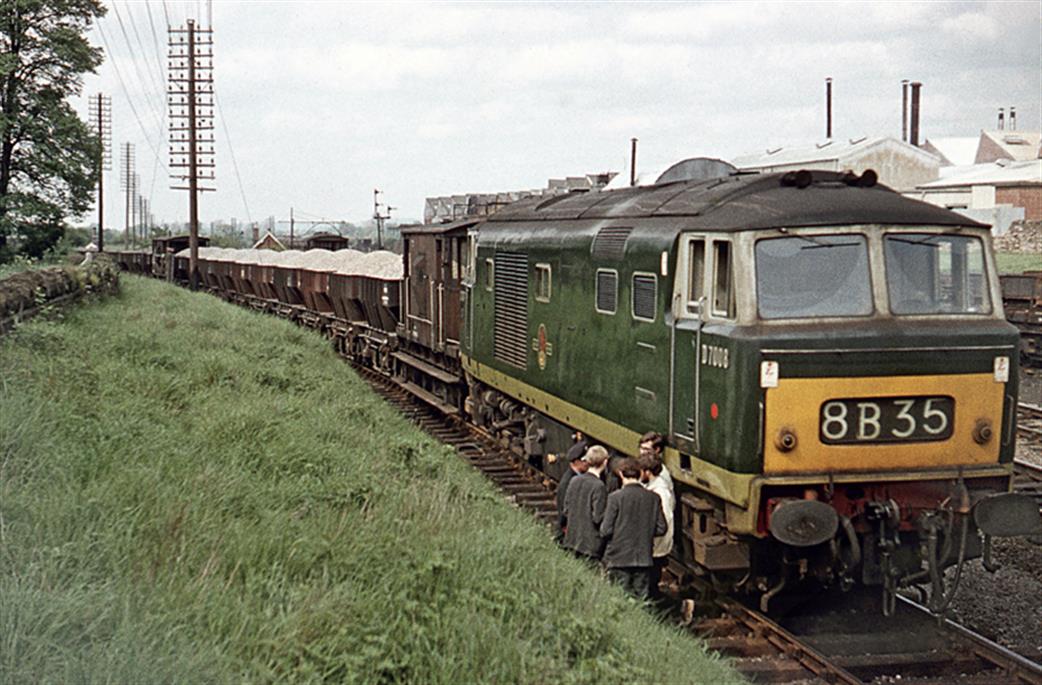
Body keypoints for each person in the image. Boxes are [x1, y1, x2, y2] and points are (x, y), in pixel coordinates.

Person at [599, 458, 666, 599]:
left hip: (618, 558)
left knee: (619, 598)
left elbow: (605, 530)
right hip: (643, 558)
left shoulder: (615, 498)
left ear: (621, 474)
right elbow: (662, 528)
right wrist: (644, 532)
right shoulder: (654, 498)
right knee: (641, 600)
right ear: (640, 474)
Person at [562, 445, 609, 561]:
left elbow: (566, 509)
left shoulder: (574, 480)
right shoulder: (599, 486)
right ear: (605, 462)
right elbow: (598, 517)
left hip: (572, 540)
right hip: (590, 544)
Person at [639, 453, 675, 599]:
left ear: (648, 472)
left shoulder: (660, 492)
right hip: (652, 547)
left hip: (655, 548)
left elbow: (663, 522)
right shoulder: (654, 487)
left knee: (651, 583)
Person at [555, 432, 590, 543]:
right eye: (585, 461)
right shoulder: (568, 482)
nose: (588, 463)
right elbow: (564, 510)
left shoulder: (576, 477)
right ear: (576, 462)